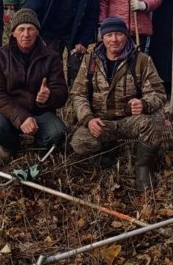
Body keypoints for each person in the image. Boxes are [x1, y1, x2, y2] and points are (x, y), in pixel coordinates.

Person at [69, 17, 165, 191]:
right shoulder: (90, 61)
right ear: (102, 37)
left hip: (129, 121)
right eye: (109, 35)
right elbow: (78, 94)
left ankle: (143, 167)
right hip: (102, 122)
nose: (114, 39)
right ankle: (109, 146)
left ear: (126, 36)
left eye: (119, 34)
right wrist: (89, 119)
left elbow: (158, 93)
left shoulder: (141, 60)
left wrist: (144, 104)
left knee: (155, 120)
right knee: (79, 143)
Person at [0, 8, 68, 161]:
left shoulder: (51, 57)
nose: (26, 34)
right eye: (21, 29)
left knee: (58, 133)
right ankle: (11, 146)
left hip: (41, 114)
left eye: (31, 29)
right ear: (13, 33)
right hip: (10, 114)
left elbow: (62, 93)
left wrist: (49, 97)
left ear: (37, 32)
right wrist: (21, 117)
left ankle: (40, 145)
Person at [24, 0, 100, 86]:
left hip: (74, 33)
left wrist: (83, 41)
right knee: (51, 64)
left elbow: (91, 19)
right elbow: (31, 9)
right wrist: (35, 33)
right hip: (49, 30)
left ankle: (75, 96)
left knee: (76, 65)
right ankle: (52, 93)